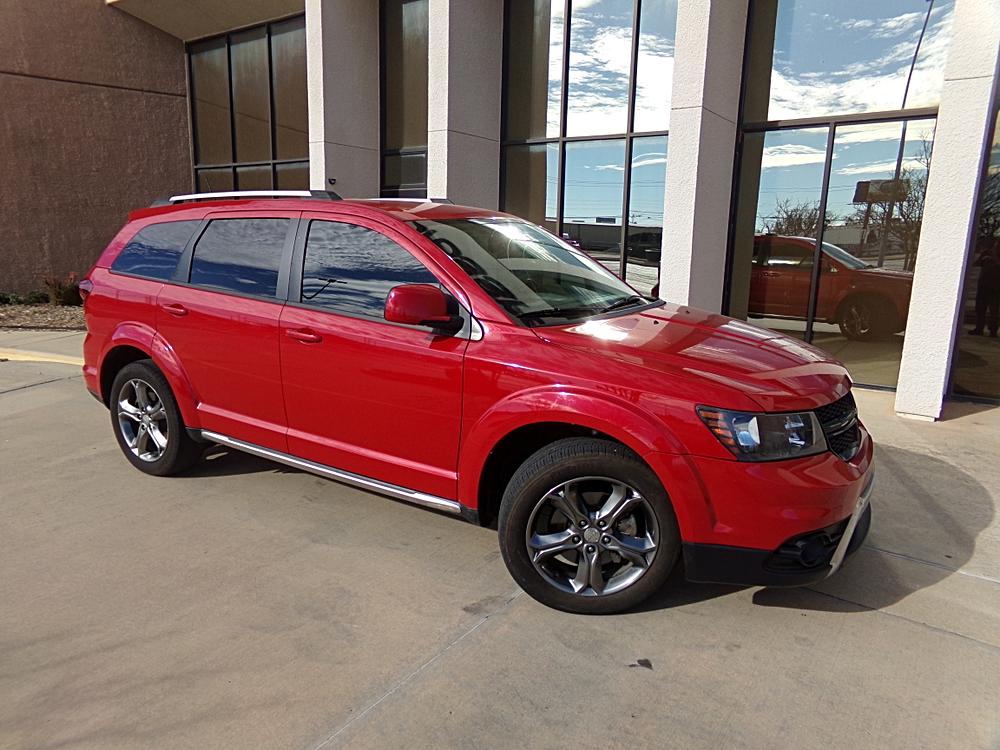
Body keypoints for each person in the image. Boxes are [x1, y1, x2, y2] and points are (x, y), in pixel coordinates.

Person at [970, 237, 1000, 338]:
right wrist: (983, 256)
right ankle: (979, 328)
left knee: (994, 310)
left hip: (995, 286)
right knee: (980, 308)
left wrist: (994, 257)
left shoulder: (995, 255)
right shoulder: (986, 253)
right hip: (983, 284)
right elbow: (976, 264)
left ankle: (993, 330)